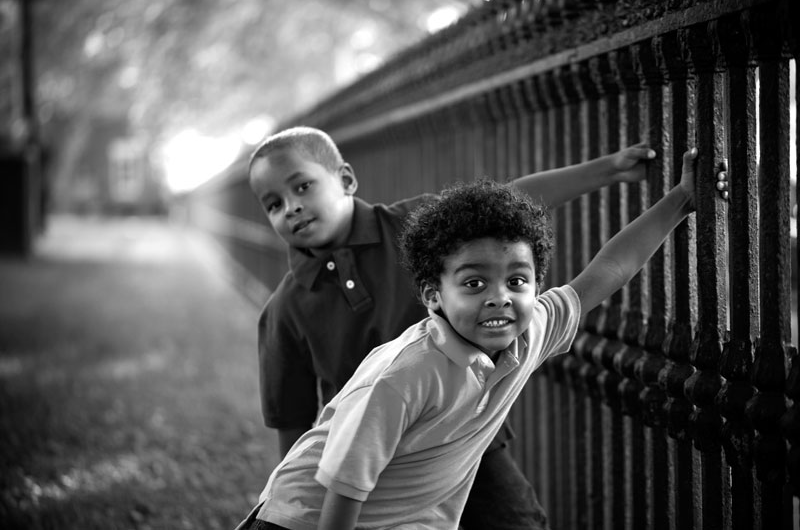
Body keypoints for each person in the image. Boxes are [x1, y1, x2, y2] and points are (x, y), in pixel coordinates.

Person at [237, 147, 727, 529]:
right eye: (474, 284)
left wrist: (678, 200)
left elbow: (607, 268)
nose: (499, 298)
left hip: (440, 452)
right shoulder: (396, 369)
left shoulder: (531, 325)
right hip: (325, 497)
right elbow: (328, 471)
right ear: (431, 292)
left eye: (517, 281)